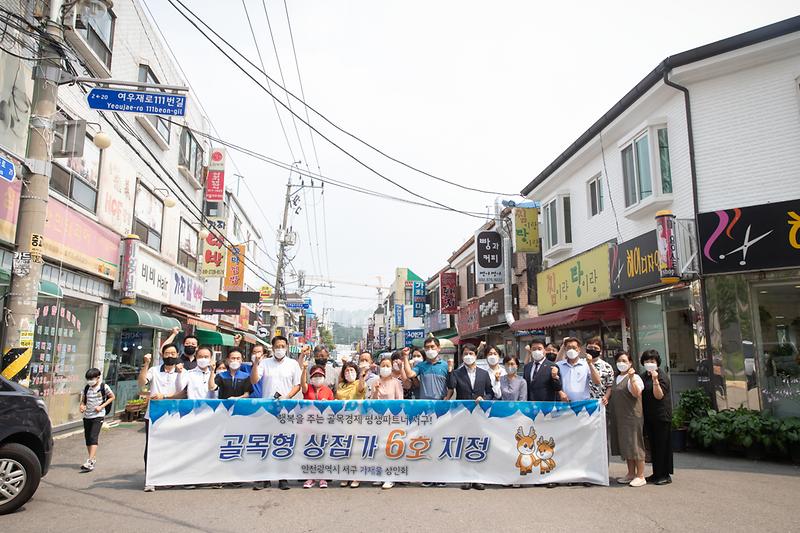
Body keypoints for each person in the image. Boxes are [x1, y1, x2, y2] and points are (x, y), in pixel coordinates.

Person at [250, 336, 301, 491]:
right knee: (265, 442)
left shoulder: (292, 364)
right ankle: (264, 478)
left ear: (286, 347)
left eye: (282, 346)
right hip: (267, 408)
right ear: (272, 348)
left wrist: (287, 397)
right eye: (277, 346)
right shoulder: (264, 363)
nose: (280, 349)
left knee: (283, 442)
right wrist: (255, 364)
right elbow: (254, 380)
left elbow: (297, 385)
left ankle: (282, 477)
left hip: (285, 408)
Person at [138, 344, 186, 492]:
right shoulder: (154, 370)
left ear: (178, 354)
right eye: (167, 353)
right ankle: (150, 478)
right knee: (151, 446)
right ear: (162, 355)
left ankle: (169, 477)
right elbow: (141, 383)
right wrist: (146, 364)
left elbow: (183, 393)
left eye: (173, 353)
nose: (170, 356)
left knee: (172, 445)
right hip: (154, 415)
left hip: (174, 414)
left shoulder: (182, 372)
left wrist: (164, 396)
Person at [446, 343, 493, 491]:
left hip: (480, 414)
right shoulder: (457, 373)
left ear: (475, 355)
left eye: (471, 353)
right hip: (463, 413)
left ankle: (478, 478)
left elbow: (490, 392)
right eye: (465, 353)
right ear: (462, 356)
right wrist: (450, 370)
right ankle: (466, 477)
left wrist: (483, 398)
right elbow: (451, 386)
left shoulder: (484, 374)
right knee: (466, 444)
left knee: (479, 444)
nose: (468, 356)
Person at [611, 351, 646, 487]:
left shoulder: (635, 377)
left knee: (635, 444)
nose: (622, 363)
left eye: (625, 361)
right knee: (626, 445)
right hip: (620, 416)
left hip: (632, 416)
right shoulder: (616, 377)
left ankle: (640, 475)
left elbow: (636, 393)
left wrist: (631, 378)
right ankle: (631, 473)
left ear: (630, 363)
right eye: (619, 360)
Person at [640, 349, 673, 485]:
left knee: (662, 446)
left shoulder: (661, 376)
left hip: (661, 416)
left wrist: (655, 380)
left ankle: (665, 475)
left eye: (652, 361)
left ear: (657, 362)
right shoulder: (643, 376)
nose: (649, 363)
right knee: (653, 446)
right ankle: (656, 473)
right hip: (649, 416)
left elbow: (659, 395)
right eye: (647, 361)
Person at [335, 361, 367, 488]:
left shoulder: (358, 384)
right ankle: (346, 474)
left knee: (356, 449)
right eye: (347, 371)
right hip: (342, 421)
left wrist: (361, 376)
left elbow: (361, 389)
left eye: (352, 370)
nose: (349, 373)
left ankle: (356, 476)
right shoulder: (341, 385)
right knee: (344, 448)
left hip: (356, 420)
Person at [79, 368, 115, 472]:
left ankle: (90, 461)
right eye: (88, 379)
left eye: (92, 378)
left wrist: (101, 406)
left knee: (93, 436)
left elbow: (112, 397)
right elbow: (83, 401)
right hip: (87, 415)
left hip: (98, 415)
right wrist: (82, 406)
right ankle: (92, 458)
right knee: (88, 438)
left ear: (98, 378)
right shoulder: (86, 388)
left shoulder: (104, 387)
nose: (90, 381)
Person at [555, 337, 601, 402]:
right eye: (569, 348)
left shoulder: (586, 364)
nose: (571, 350)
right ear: (565, 349)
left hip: (582, 405)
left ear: (579, 349)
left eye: (574, 348)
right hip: (564, 404)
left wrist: (590, 364)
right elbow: (554, 382)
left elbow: (597, 381)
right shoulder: (559, 365)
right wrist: (560, 393)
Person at [586, 336, 614, 407]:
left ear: (600, 351)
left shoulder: (607, 367)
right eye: (590, 348)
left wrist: (606, 397)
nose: (593, 350)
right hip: (583, 403)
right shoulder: (580, 364)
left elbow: (609, 386)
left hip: (599, 403)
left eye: (596, 348)